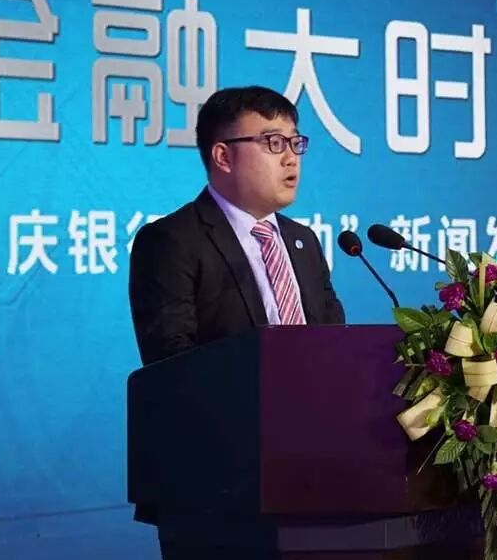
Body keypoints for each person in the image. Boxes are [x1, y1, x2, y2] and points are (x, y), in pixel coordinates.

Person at [129, 84, 346, 364]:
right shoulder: (171, 241)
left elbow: (334, 338)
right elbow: (172, 362)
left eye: (295, 143)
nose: (291, 159)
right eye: (274, 143)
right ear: (224, 157)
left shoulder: (303, 240)